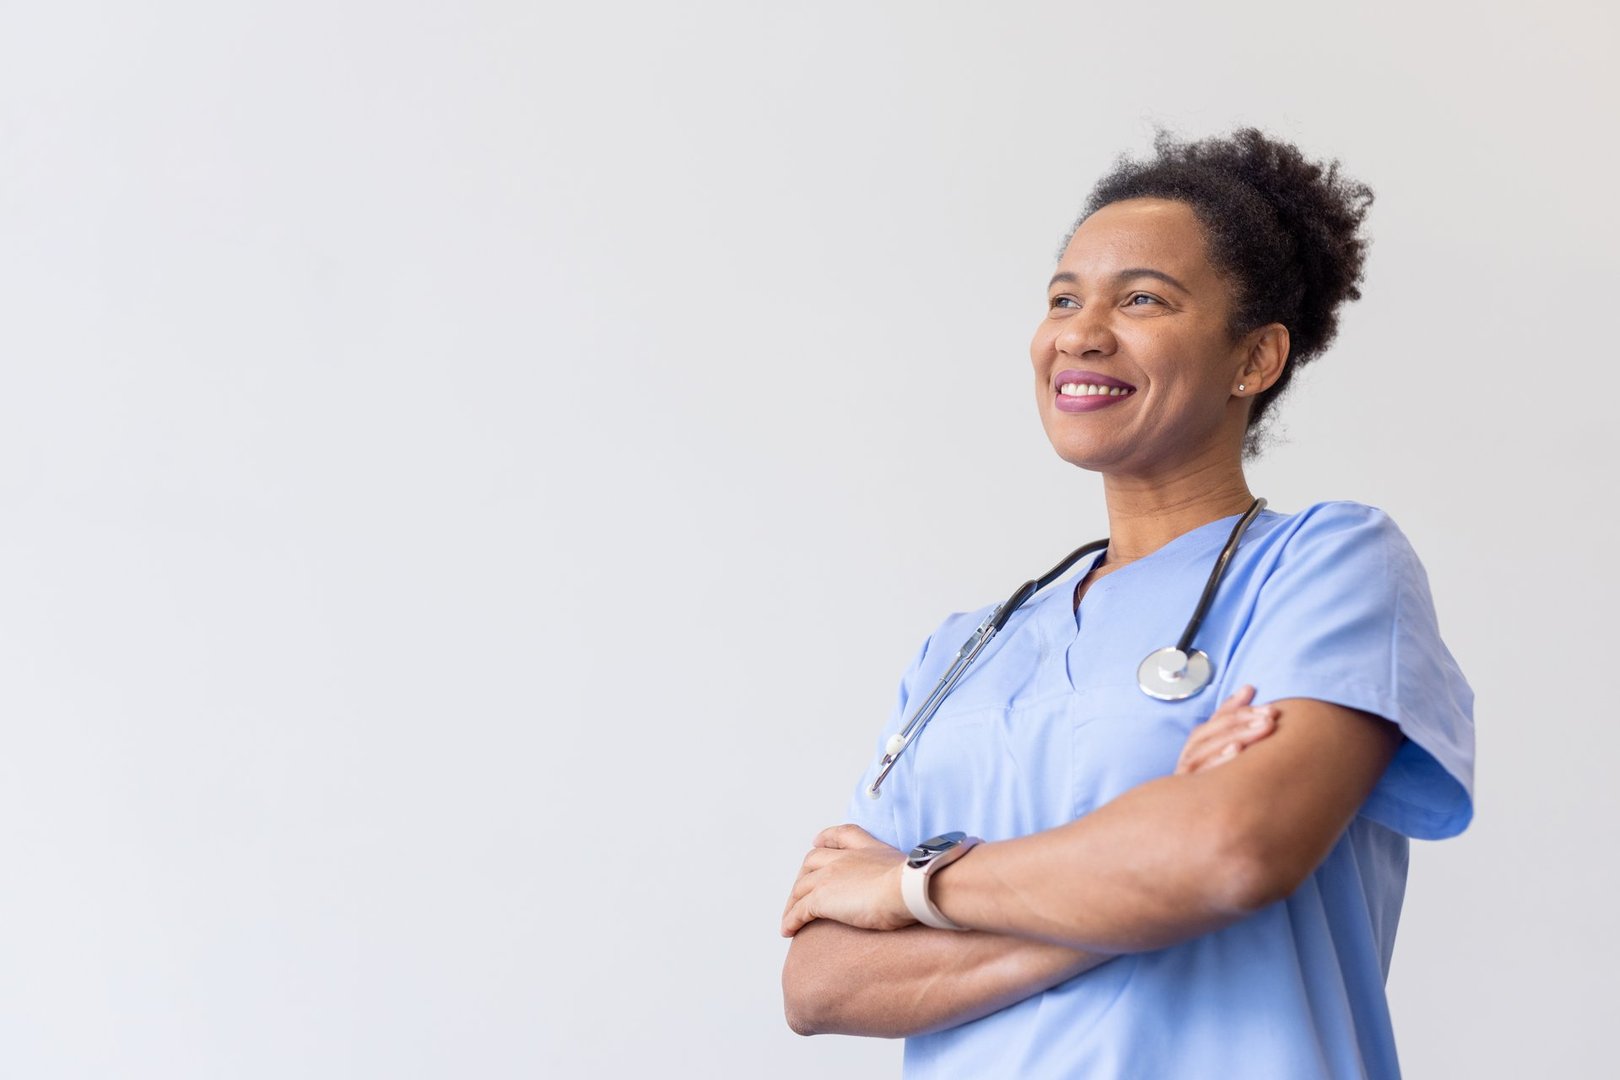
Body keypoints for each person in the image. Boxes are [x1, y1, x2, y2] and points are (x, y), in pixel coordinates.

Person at [778, 128, 1475, 1079]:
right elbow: (821, 984)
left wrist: (907, 887)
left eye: (1142, 298)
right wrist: (1143, 882)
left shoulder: (1328, 566)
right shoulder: (964, 651)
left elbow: (1230, 853)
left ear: (1256, 358)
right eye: (1064, 298)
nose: (1079, 331)